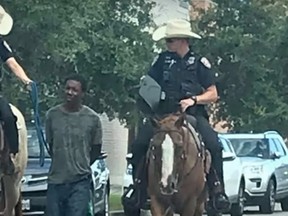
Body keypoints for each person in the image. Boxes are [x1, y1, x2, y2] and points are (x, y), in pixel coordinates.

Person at [125, 19, 230, 214]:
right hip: (163, 116)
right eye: (167, 41)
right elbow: (149, 84)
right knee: (139, 144)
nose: (168, 44)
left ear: (183, 40)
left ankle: (217, 190)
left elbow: (213, 93)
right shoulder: (161, 61)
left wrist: (194, 100)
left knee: (214, 144)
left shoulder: (200, 63)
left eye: (170, 40)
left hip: (191, 115)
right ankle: (138, 188)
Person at [44, 74, 103, 216]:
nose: (70, 92)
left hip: (80, 182)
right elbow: (51, 146)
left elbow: (95, 150)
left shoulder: (93, 119)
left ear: (82, 93)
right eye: (67, 88)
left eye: (75, 90)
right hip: (56, 181)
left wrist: (80, 163)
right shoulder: (52, 115)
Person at [0, 5, 32, 174]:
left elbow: (12, 63)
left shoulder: (0, 44)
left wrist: (26, 80)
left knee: (8, 117)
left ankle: (9, 155)